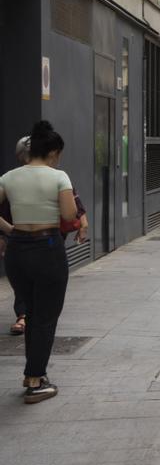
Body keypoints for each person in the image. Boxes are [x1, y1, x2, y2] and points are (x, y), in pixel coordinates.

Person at [0, 121, 78, 403]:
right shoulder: (59, 177)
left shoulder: (8, 177)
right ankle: (35, 380)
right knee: (46, 317)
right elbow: (69, 214)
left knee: (31, 312)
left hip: (18, 250)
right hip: (47, 248)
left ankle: (33, 375)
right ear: (53, 152)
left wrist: (11, 230)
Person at [0, 136, 87, 336]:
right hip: (39, 240)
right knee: (31, 282)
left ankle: (32, 317)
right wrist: (7, 231)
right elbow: (72, 209)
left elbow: (74, 203)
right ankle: (26, 316)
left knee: (32, 280)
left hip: (37, 239)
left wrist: (83, 222)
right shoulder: (14, 179)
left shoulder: (51, 177)